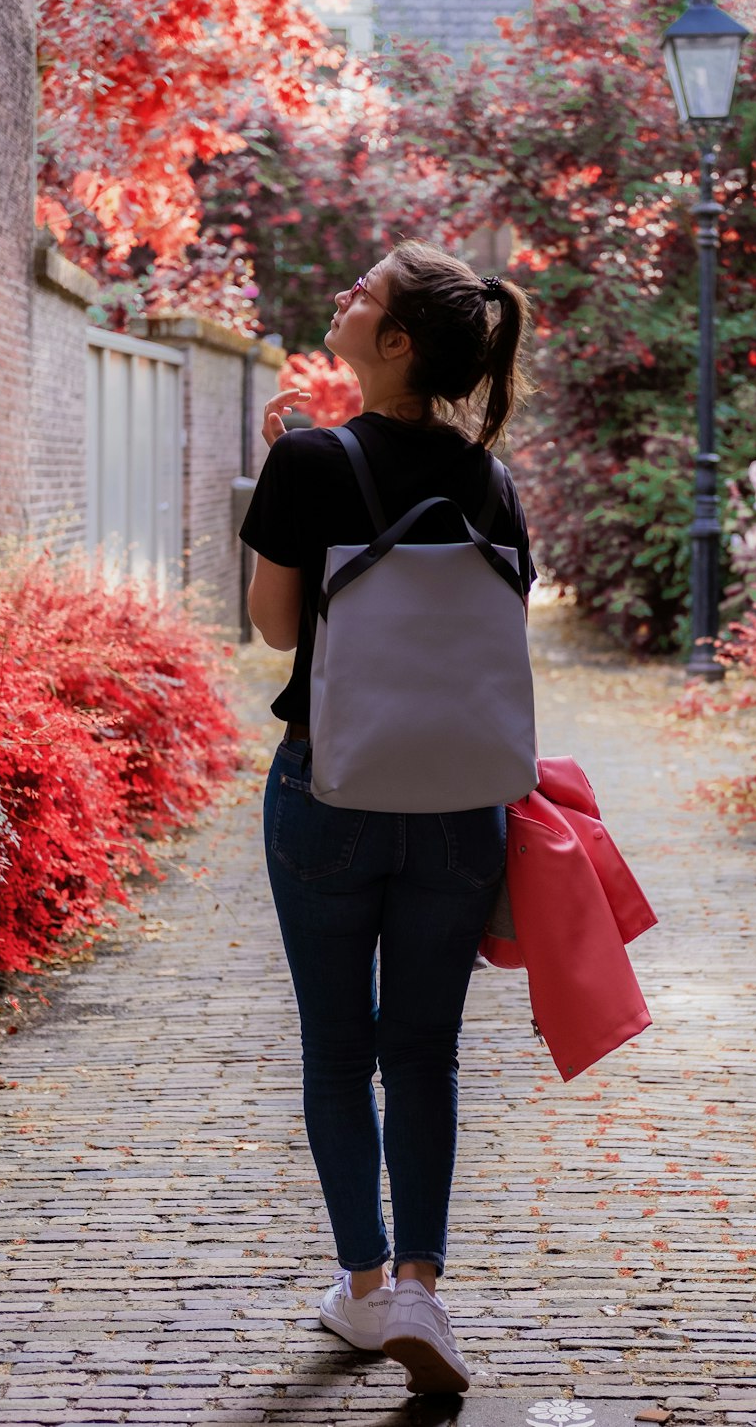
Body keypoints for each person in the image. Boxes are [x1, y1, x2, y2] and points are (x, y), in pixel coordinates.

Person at [239, 239, 535, 1395]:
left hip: (332, 787)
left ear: (396, 341)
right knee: (424, 1049)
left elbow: (273, 628)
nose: (342, 294)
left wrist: (287, 483)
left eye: (363, 291)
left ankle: (362, 1293)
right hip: (464, 805)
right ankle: (421, 1285)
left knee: (337, 1045)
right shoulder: (492, 480)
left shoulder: (313, 458)